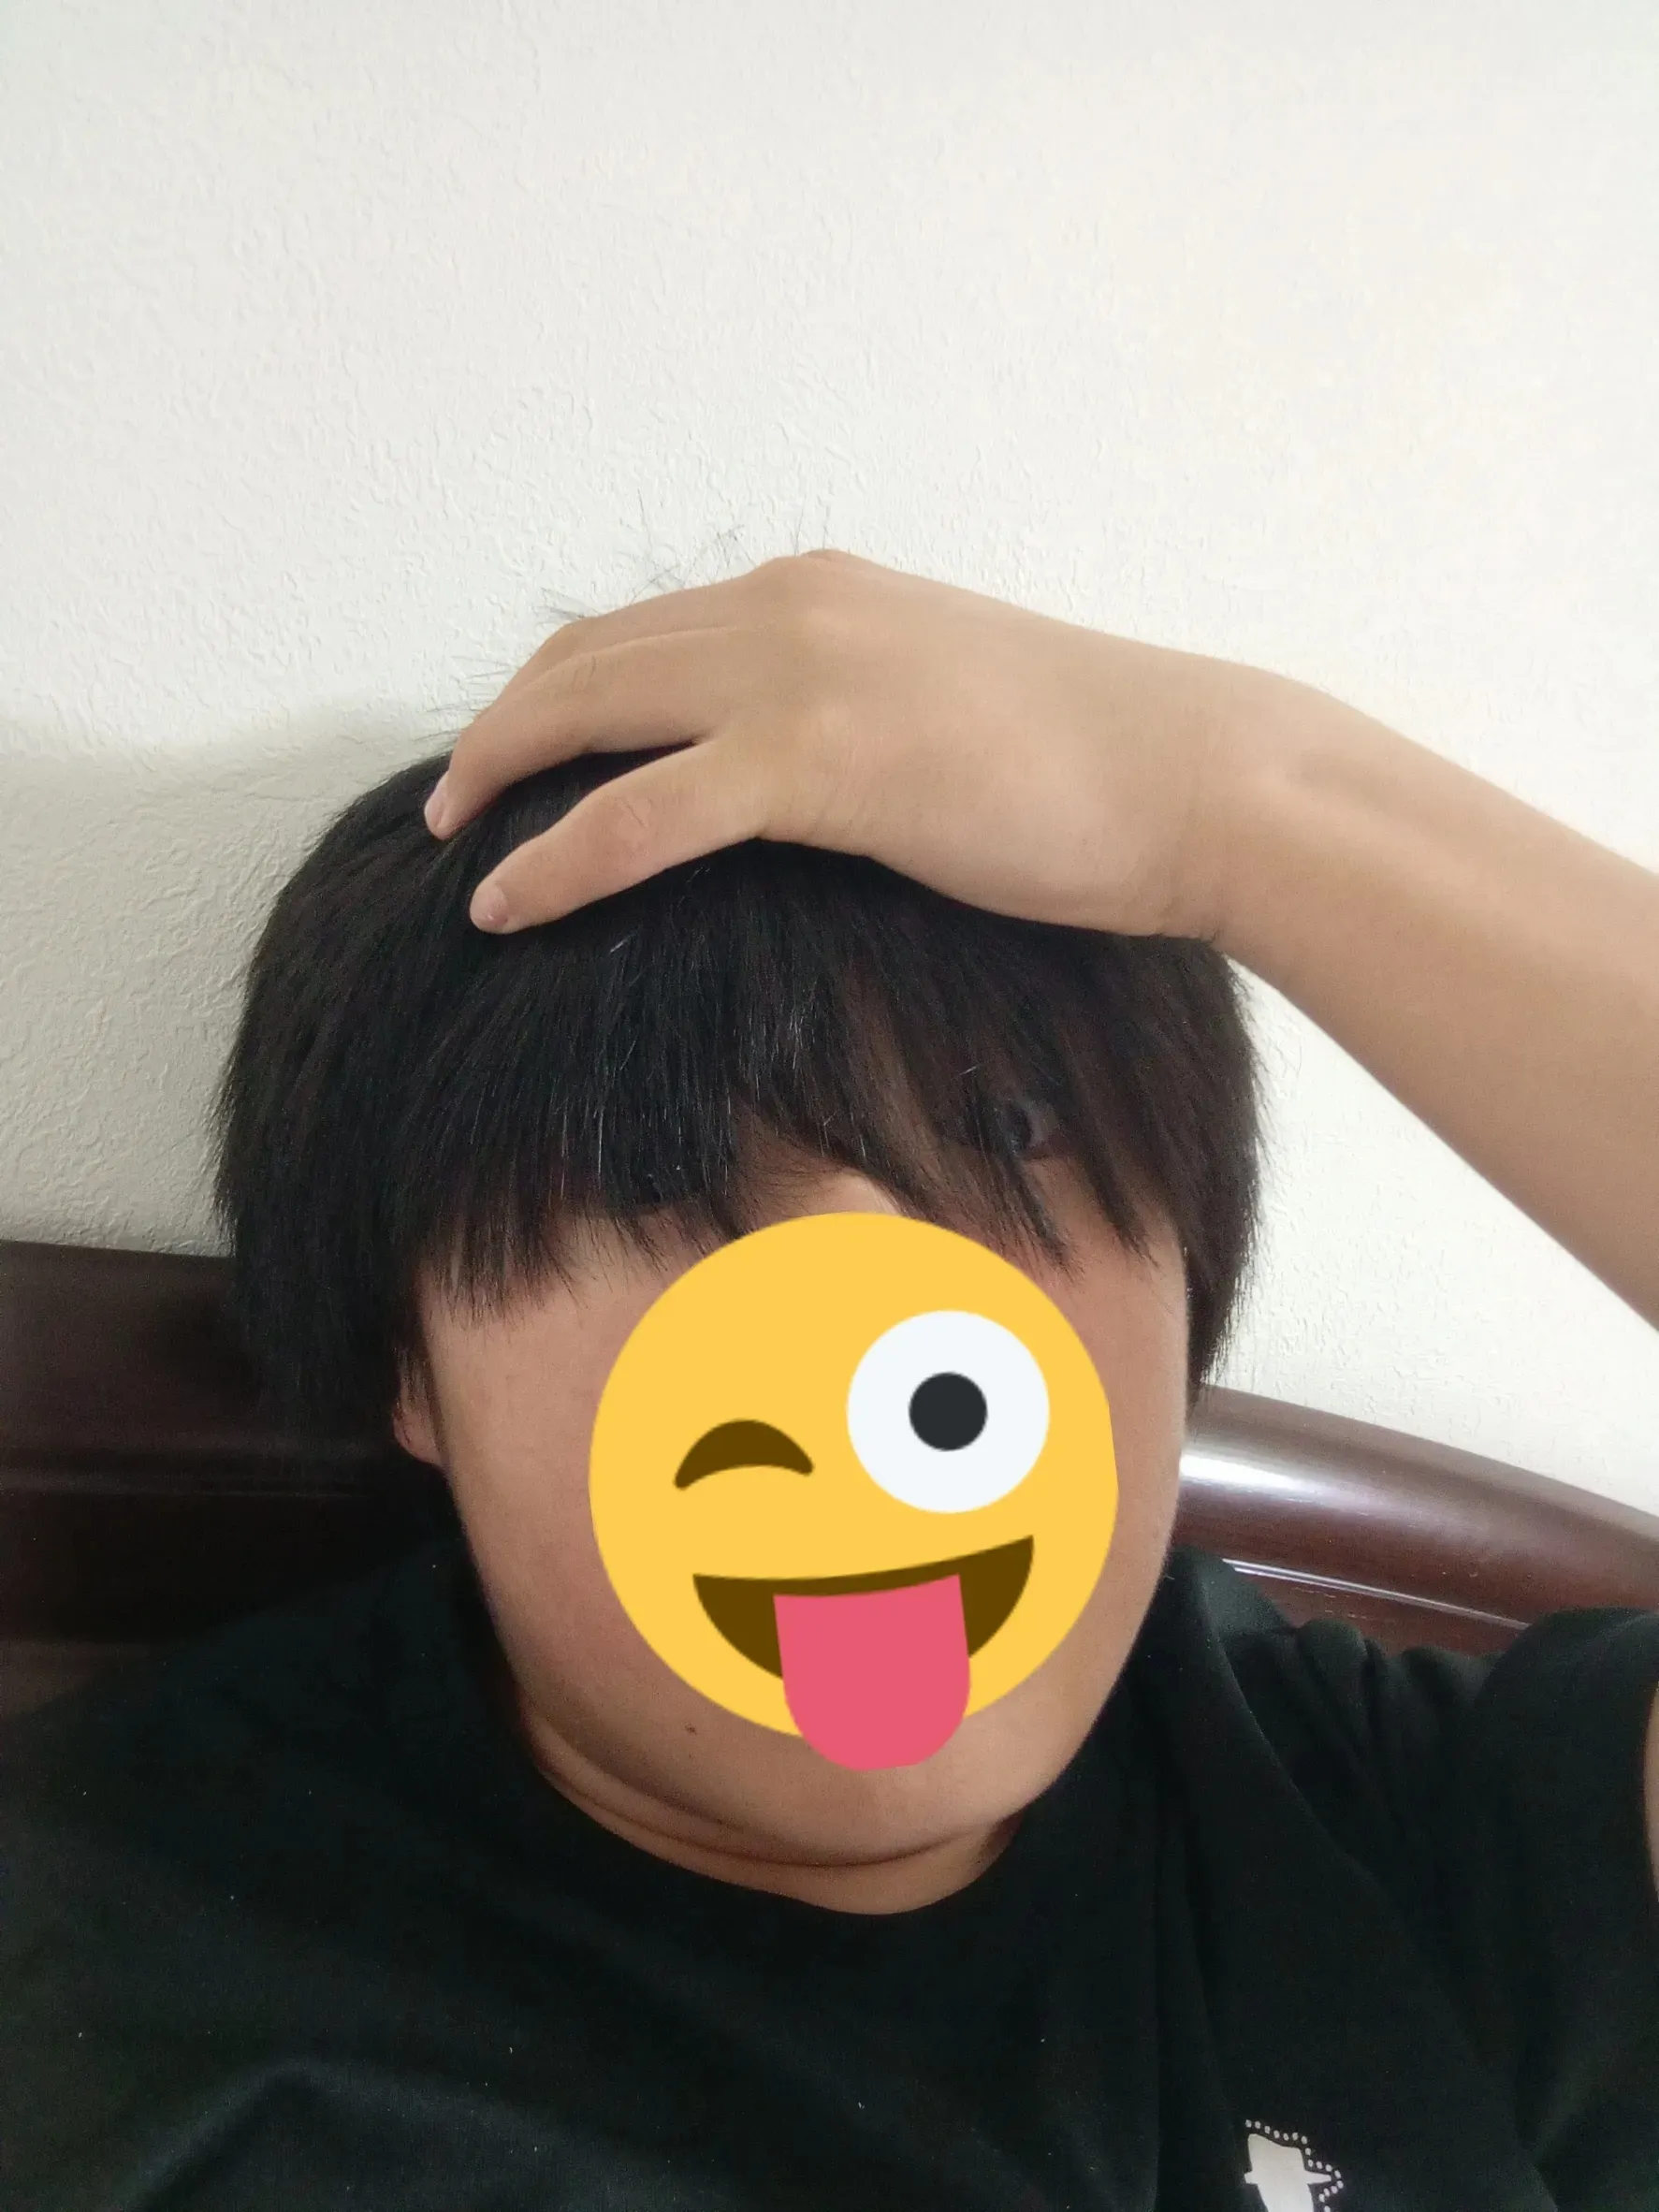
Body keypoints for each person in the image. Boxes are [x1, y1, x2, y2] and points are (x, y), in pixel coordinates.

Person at [2, 549, 1655, 2211]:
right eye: (650, 1175)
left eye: (1010, 1134)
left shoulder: (1422, 1834)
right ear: (406, 1367)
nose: (877, 1337)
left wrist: (1237, 805)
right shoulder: (101, 1982)